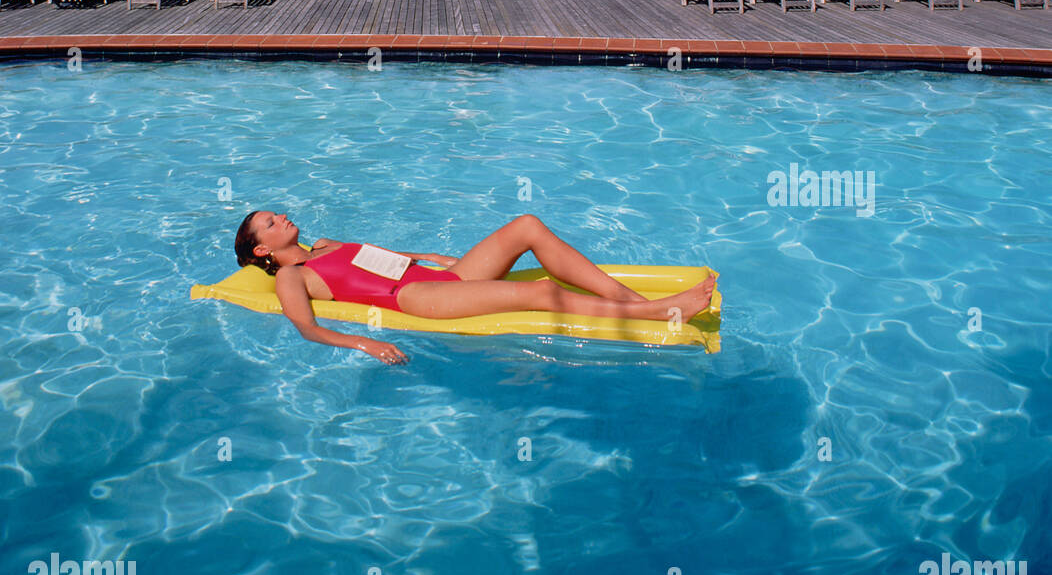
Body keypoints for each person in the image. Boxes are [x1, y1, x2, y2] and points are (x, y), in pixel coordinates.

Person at [234, 210, 718, 365]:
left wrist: (433, 257)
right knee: (540, 294)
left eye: (276, 214)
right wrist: (364, 341)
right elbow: (306, 328)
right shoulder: (293, 277)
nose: (282, 217)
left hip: (436, 276)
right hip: (417, 298)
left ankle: (640, 302)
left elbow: (383, 257)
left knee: (527, 225)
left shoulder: (324, 243)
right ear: (262, 251)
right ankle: (656, 314)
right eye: (270, 223)